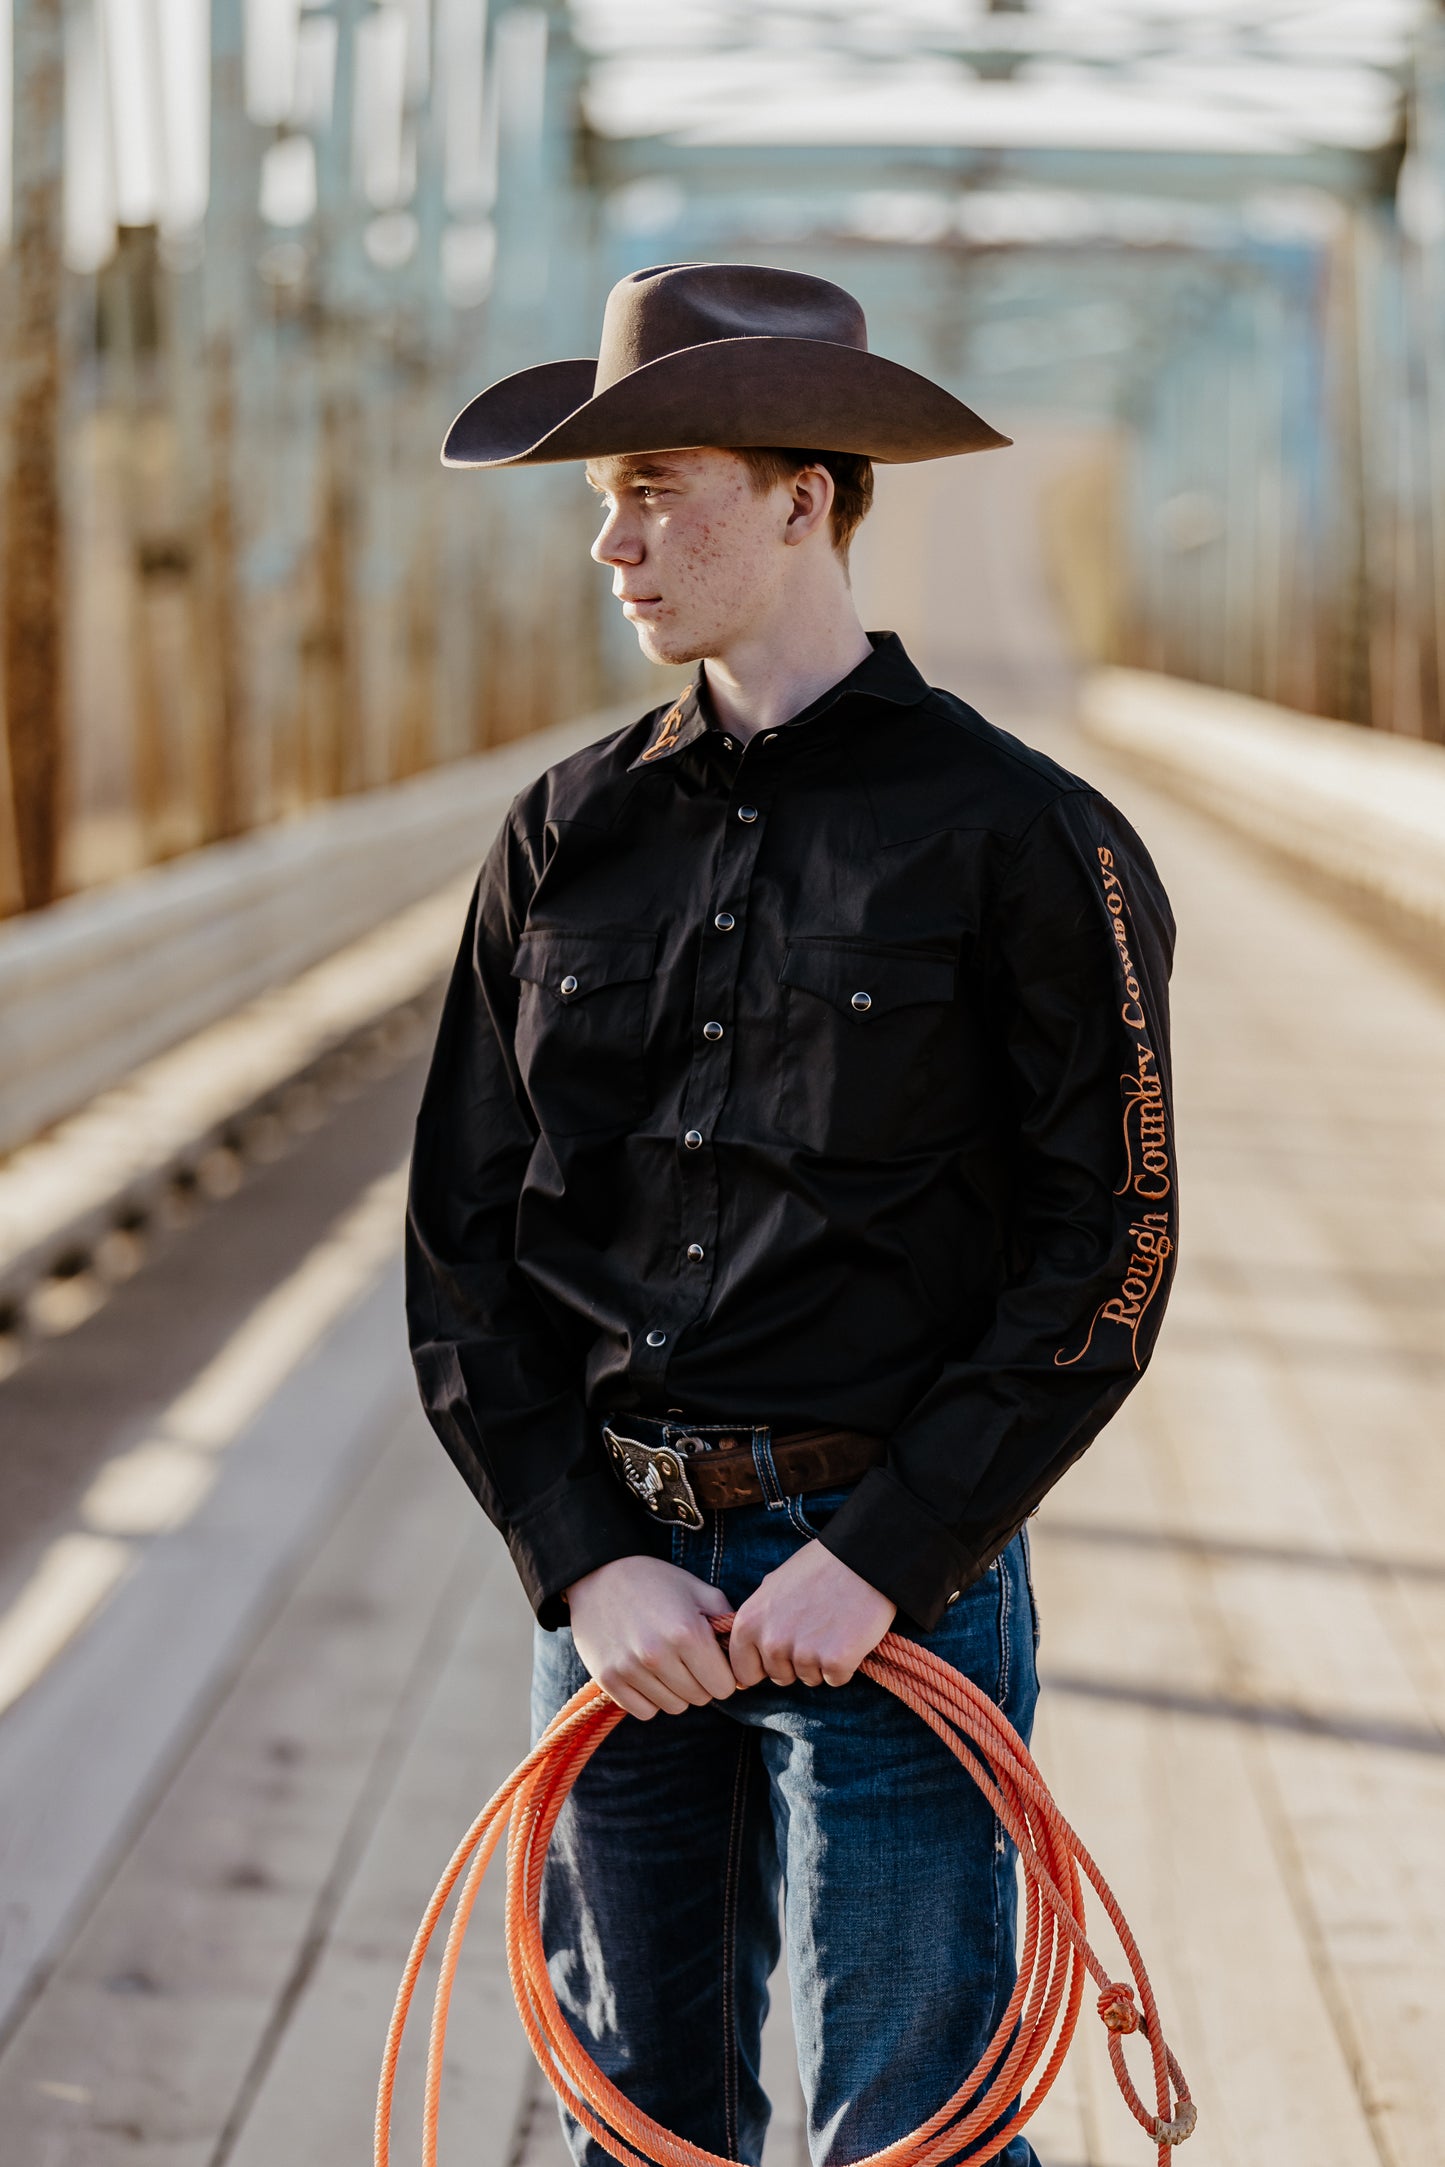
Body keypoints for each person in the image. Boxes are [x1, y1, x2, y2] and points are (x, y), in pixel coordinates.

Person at [406, 262, 1177, 2167]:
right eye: (604, 500)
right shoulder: (561, 835)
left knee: (912, 2135)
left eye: (651, 489)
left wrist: (889, 1553)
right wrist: (583, 1559)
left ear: (802, 498)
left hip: (886, 1580)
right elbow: (461, 1243)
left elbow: (1110, 1246)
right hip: (623, 1592)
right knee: (631, 2127)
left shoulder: (1025, 836)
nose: (609, 543)